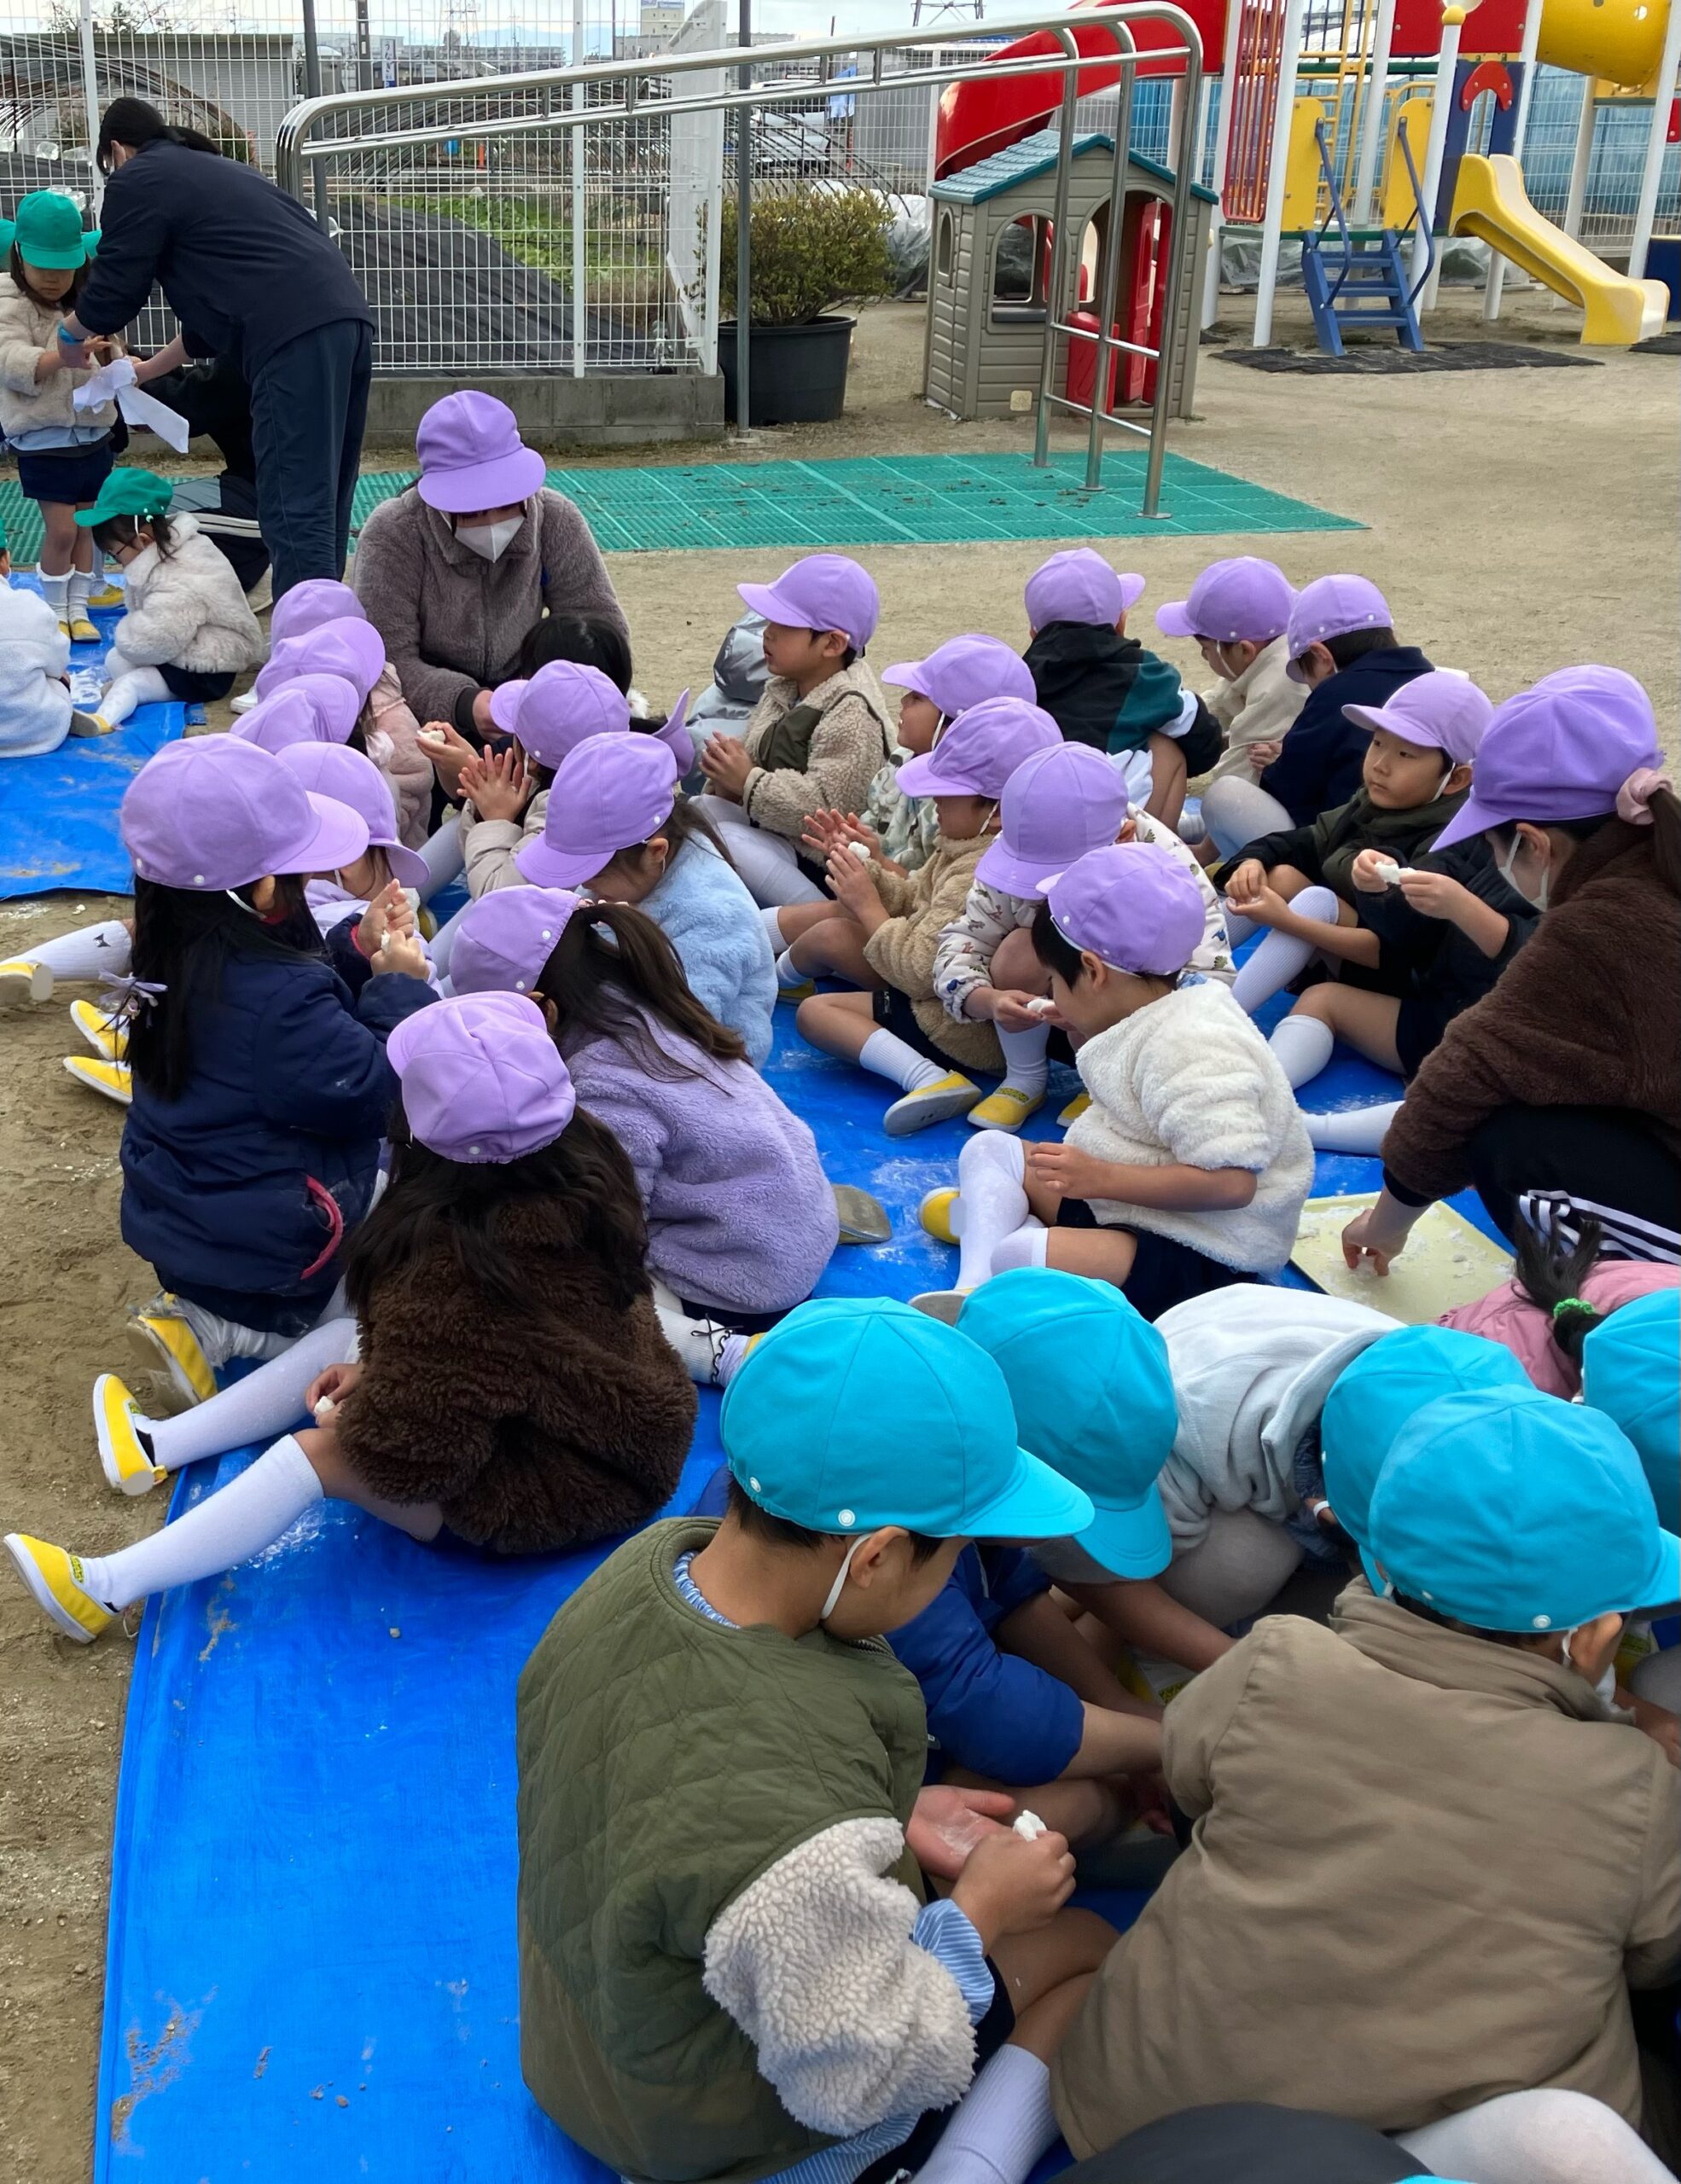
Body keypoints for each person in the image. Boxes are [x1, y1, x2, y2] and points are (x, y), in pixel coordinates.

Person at [516, 1296, 1116, 2184]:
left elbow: (668, 1803)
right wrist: (979, 1913)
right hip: (724, 2143)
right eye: (957, 1554)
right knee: (1087, 1953)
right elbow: (856, 2074)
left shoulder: (636, 1576)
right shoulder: (793, 1844)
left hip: (594, 2049)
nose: (959, 1570)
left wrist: (892, 1812)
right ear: (875, 1558)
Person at [1050, 1381, 1681, 2171]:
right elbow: (1655, 1954)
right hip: (1389, 2156)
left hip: (1141, 2115)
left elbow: (1188, 1781)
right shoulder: (1634, 1787)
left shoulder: (1274, 1661)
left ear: (1377, 1559)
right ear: (1591, 1640)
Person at [4, 991, 699, 1639]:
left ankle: (106, 1588)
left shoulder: (455, 1273)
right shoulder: (588, 1171)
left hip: (570, 1489)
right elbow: (517, 1360)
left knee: (320, 1454)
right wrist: (388, 1382)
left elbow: (415, 1462)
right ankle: (155, 1445)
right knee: (345, 1339)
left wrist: (363, 1422)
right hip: (621, 1428)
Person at [105, 735, 434, 1409]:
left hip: (190, 1218)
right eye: (300, 873)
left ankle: (207, 1310)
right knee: (382, 1326)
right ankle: (218, 1333)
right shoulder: (279, 1002)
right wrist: (399, 990)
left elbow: (283, 1017)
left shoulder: (173, 952)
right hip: (275, 1256)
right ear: (261, 891)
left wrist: (354, 947)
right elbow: (378, 1094)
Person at [1342, 667, 1681, 1275]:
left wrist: (1383, 1226)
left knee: (1506, 1138)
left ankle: (1619, 1303)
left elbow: (1461, 1077)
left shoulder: (1599, 928)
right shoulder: (1659, 863)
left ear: (1534, 843)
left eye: (1494, 846)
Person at [449, 886, 839, 1387]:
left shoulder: (599, 1085)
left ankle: (731, 1355)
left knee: (551, 1291)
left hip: (745, 1278)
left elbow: (614, 1226)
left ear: (543, 1012)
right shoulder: (649, 1007)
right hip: (797, 1225)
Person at [916, 843, 1312, 1323]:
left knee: (1017, 1254)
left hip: (1204, 1246)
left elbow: (1232, 1185)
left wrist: (1101, 1178)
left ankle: (993, 1233)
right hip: (1132, 1201)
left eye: (1053, 982)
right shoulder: (1153, 1003)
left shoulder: (1194, 1046)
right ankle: (974, 1281)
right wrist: (1084, 1025)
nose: (1051, 994)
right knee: (989, 1150)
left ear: (1093, 971)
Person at [887, 1271, 1172, 1841]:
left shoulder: (943, 1468)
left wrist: (1115, 1704)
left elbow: (1011, 1592)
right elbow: (992, 1713)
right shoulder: (901, 1548)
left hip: (932, 1696)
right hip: (857, 1777)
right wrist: (1170, 1747)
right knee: (1067, 1808)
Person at [58, 98, 375, 598]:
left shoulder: (138, 178)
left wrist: (69, 334)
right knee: (327, 493)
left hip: (288, 337)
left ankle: (308, 636)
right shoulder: (215, 171)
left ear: (116, 150)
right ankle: (328, 618)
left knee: (293, 504)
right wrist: (146, 371)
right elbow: (209, 326)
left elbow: (117, 288)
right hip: (346, 320)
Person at [786, 696, 1062, 1135]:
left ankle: (927, 1078)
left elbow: (919, 971)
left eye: (946, 794)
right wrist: (868, 872)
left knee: (817, 1012)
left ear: (994, 812)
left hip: (960, 1023)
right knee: (832, 934)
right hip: (948, 994)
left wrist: (867, 905)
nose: (934, 801)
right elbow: (917, 898)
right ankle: (769, 978)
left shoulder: (980, 865)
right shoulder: (964, 844)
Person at [930, 742, 1234, 1134]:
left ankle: (1109, 1086)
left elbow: (1212, 974)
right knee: (1018, 950)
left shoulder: (1168, 872)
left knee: (1119, 977)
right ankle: (1025, 1076)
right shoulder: (1020, 852)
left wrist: (1119, 1006)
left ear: (1123, 838)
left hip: (1135, 1025)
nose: (1039, 888)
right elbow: (966, 938)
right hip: (1051, 1012)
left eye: (1058, 875)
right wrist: (984, 999)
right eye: (1032, 876)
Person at [352, 392, 625, 764]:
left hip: (531, 703)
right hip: (424, 721)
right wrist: (463, 702)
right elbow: (387, 659)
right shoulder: (394, 533)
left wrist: (544, 697)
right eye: (472, 511)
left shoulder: (556, 518)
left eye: (507, 502)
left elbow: (600, 628)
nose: (493, 522)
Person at [515, 732, 776, 1066]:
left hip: (703, 1065)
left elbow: (679, 1038)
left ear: (656, 852)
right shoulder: (636, 872)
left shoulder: (713, 917)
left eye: (593, 873)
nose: (584, 884)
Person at [692, 553, 895, 908]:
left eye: (784, 624)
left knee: (724, 838)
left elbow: (828, 814)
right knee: (699, 811)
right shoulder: (787, 687)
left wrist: (748, 781)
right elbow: (752, 764)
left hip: (825, 870)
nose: (767, 633)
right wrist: (726, 779)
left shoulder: (853, 710)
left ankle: (820, 920)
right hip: (779, 843)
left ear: (832, 644)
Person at [1200, 575, 1432, 857]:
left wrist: (1276, 763)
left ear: (1321, 656)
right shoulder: (1430, 677)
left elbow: (1285, 787)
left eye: (1305, 673)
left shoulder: (1334, 692)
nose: (1308, 684)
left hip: (1342, 850)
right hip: (1422, 846)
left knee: (1224, 794)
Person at [1021, 549, 1218, 828]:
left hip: (1040, 821)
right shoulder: (1144, 674)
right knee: (1167, 746)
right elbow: (1205, 740)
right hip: (1117, 827)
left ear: (1034, 633)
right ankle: (1159, 844)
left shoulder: (1022, 676)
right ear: (1121, 623)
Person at [0, 192, 120, 639]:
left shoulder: (85, 300)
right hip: (43, 438)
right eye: (42, 266)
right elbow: (9, 359)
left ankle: (80, 608)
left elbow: (107, 351)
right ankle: (55, 613)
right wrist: (62, 357)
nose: (53, 278)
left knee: (87, 527)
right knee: (63, 531)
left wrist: (116, 361)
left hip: (92, 434)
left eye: (63, 266)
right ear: (19, 257)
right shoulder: (9, 300)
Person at [76, 468, 264, 732]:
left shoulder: (178, 576)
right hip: (185, 648)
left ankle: (102, 720)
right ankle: (137, 692)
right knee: (115, 658)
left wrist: (131, 637)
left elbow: (157, 639)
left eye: (115, 554)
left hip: (205, 669)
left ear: (142, 540)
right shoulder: (172, 548)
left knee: (132, 683)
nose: (117, 561)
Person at [264, 578, 433, 851]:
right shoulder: (279, 710)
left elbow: (417, 774)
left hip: (387, 853)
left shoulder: (384, 709)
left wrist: (375, 816)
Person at [871, 634, 1038, 872]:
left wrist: (876, 865)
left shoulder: (958, 808)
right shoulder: (901, 759)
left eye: (917, 698)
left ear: (960, 724)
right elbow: (872, 814)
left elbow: (929, 887)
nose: (903, 700)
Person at [1153, 555, 1303, 799]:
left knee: (1223, 798)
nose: (1204, 656)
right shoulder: (1274, 647)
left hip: (1314, 807)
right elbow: (1221, 702)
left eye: (1206, 649)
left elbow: (1235, 781)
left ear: (1244, 650)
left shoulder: (1280, 683)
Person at [0, 541, 103, 757]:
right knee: (58, 676)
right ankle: (62, 714)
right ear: (5, 562)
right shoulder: (28, 604)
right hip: (36, 730)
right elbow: (58, 664)